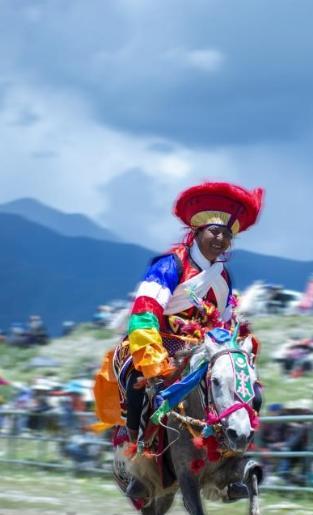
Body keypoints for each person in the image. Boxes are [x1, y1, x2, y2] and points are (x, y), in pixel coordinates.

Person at [92, 181, 264, 464]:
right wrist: (153, 360)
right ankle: (136, 449)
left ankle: (230, 449)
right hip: (161, 343)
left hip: (204, 350)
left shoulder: (222, 278)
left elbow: (224, 322)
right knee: (138, 380)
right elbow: (145, 311)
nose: (221, 239)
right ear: (197, 231)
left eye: (227, 235)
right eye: (215, 231)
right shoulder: (170, 265)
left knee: (244, 385)